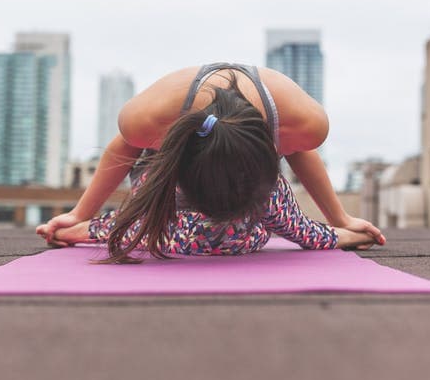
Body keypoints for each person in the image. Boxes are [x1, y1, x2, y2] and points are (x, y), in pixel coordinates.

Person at [36, 63, 385, 263]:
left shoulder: (303, 122)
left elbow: (299, 160)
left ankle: (107, 228)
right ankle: (105, 227)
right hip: (164, 172)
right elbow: (122, 149)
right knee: (213, 236)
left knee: (231, 235)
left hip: (251, 182)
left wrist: (341, 224)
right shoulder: (146, 118)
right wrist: (80, 215)